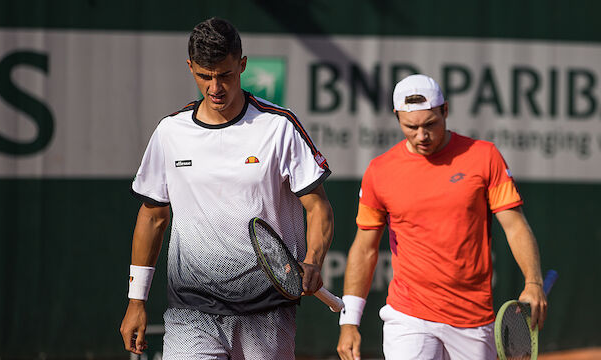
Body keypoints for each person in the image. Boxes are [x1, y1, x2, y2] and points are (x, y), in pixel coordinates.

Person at [119, 17, 334, 359]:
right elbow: (152, 218)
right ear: (190, 68)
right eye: (205, 76)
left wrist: (312, 260)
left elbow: (318, 207)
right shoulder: (170, 133)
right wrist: (136, 300)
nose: (215, 87)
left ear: (242, 65)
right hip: (191, 310)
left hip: (266, 311)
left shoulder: (278, 127)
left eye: (225, 75)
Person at [336, 74, 547, 360]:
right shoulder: (379, 171)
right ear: (397, 116)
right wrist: (349, 321)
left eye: (430, 125)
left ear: (445, 111)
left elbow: (515, 226)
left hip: (473, 317)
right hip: (409, 315)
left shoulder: (484, 156)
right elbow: (364, 248)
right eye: (410, 127)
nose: (421, 135)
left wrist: (533, 283)